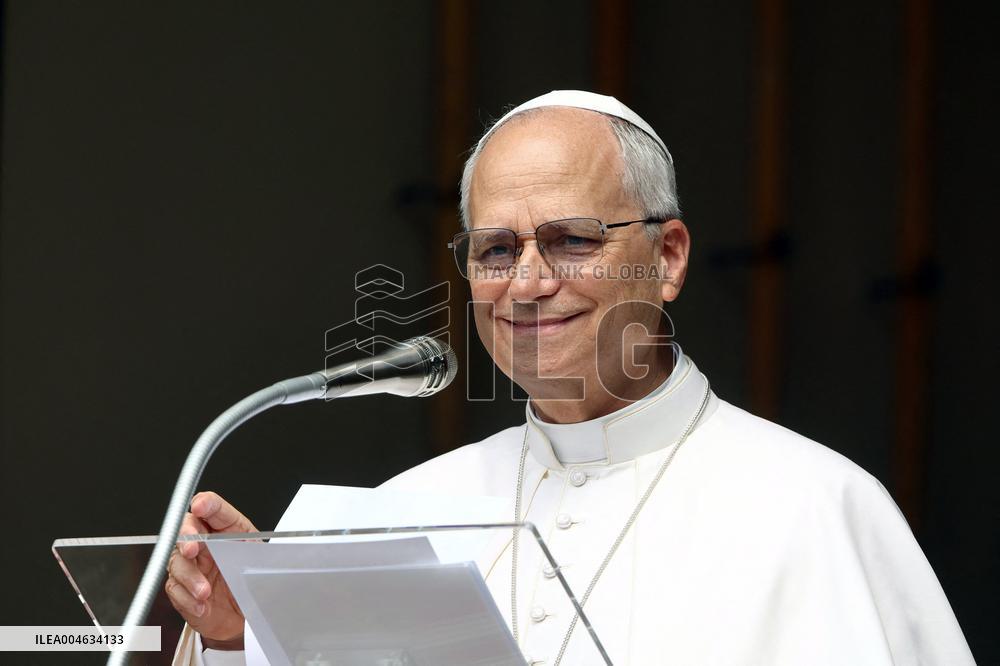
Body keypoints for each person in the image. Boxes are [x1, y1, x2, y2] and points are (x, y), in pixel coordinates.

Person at [169, 90, 975, 665]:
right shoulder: (405, 510)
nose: (526, 282)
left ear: (668, 259)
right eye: (495, 249)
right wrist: (250, 635)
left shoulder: (816, 509)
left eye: (570, 240)